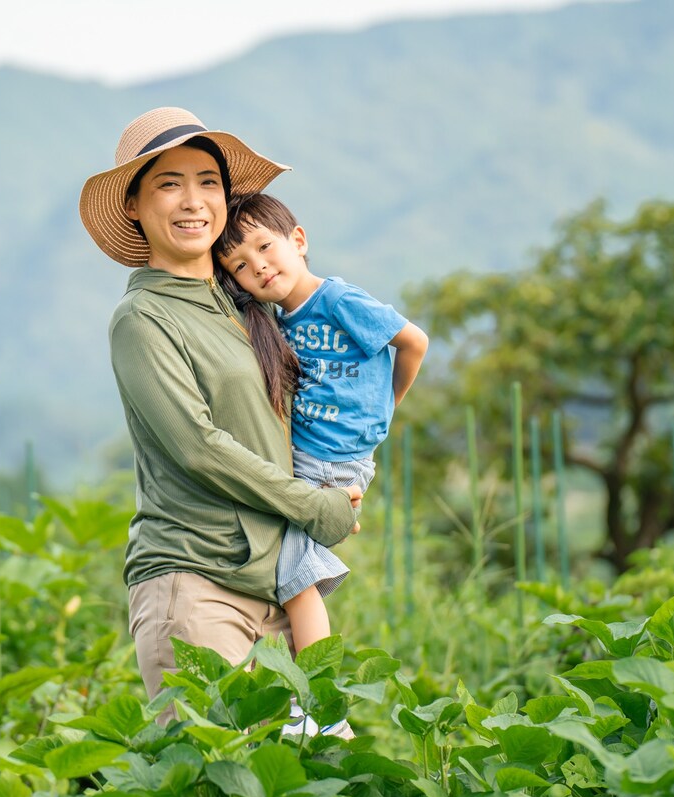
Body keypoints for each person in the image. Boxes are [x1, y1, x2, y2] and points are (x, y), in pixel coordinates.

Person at [77, 108, 362, 722]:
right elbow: (198, 448)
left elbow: (324, 400)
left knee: (319, 773)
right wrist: (314, 506)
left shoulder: (246, 304)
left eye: (208, 182)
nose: (193, 201)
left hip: (279, 582)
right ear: (133, 203)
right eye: (168, 183)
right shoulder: (144, 319)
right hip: (197, 585)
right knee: (220, 780)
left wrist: (350, 471)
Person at [214, 193, 429, 657]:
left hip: (330, 463)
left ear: (298, 240)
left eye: (265, 247)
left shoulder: (337, 299)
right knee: (279, 564)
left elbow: (413, 342)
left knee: (294, 580)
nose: (259, 267)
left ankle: (315, 695)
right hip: (304, 459)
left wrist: (386, 406)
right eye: (241, 267)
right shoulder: (278, 321)